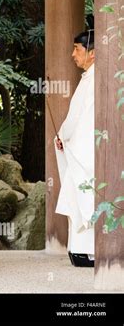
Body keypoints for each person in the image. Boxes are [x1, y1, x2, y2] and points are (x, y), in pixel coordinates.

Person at [54, 30, 95, 267]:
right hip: (77, 147)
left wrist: (65, 136)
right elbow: (75, 117)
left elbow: (84, 118)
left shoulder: (96, 80)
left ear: (93, 53)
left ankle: (87, 251)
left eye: (77, 49)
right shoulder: (88, 78)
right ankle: (78, 249)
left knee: (83, 198)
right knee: (75, 198)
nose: (72, 55)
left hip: (86, 151)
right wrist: (63, 136)